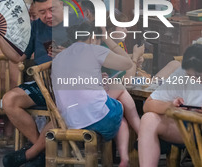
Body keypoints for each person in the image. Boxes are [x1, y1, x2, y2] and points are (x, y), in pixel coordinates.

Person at [0, 0, 82, 167]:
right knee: (9, 100)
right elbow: (17, 57)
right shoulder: (35, 27)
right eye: (41, 12)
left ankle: (31, 153)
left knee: (60, 107)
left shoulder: (79, 24)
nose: (47, 16)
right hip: (43, 86)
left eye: (51, 9)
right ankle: (41, 152)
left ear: (61, 4)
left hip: (73, 88)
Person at [52, 21, 138, 167]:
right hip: (98, 120)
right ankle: (139, 134)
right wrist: (106, 37)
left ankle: (126, 156)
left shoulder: (60, 57)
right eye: (99, 40)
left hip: (69, 121)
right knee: (119, 91)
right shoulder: (94, 50)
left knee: (118, 112)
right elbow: (128, 63)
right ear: (93, 37)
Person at [138, 43, 202, 167]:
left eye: (198, 76)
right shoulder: (182, 73)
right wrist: (171, 106)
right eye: (190, 76)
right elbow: (148, 105)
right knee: (149, 119)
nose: (195, 80)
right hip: (189, 127)